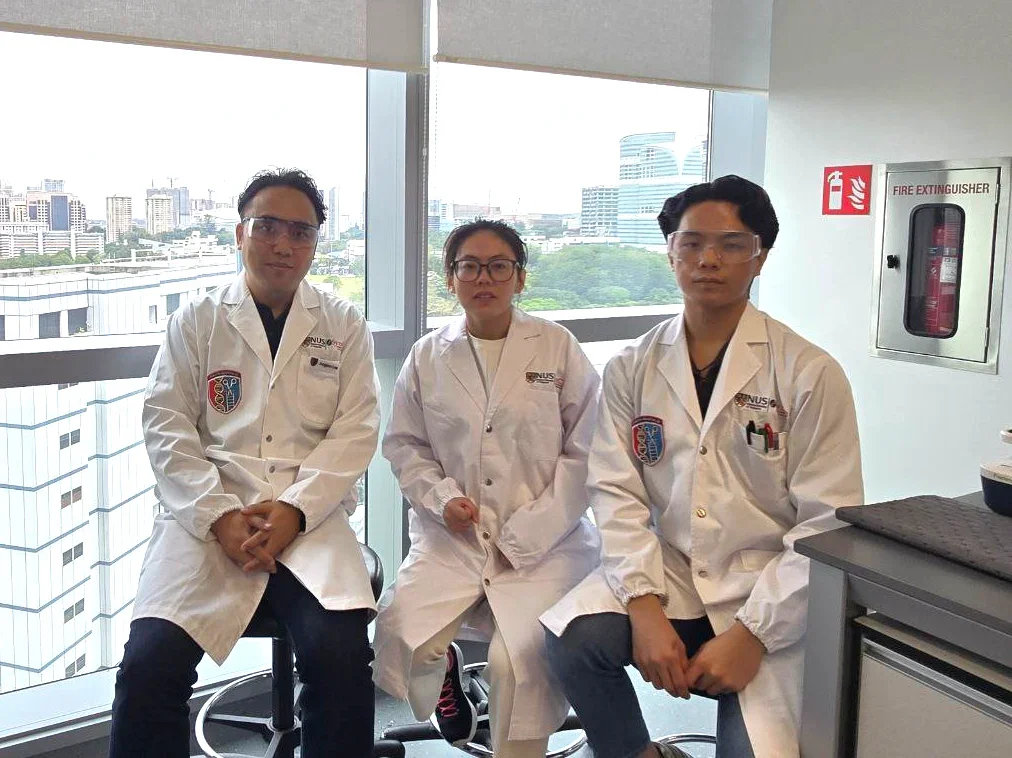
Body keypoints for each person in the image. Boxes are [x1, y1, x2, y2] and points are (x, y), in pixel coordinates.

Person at [541, 175, 864, 758]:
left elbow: (827, 524)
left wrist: (753, 634)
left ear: (760, 256)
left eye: (731, 244)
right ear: (670, 253)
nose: (708, 259)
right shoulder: (632, 366)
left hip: (768, 588)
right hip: (671, 575)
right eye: (690, 243)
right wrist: (642, 604)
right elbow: (615, 492)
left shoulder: (809, 373)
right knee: (574, 640)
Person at [109, 168, 381, 758]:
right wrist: (219, 517)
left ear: (315, 244)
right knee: (147, 668)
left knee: (339, 659)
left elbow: (356, 431)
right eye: (268, 227)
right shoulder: (197, 320)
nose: (283, 243)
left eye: (300, 232)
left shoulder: (343, 324)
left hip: (310, 519)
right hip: (207, 516)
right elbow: (167, 426)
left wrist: (294, 511)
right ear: (240, 233)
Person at [372, 220, 601, 757]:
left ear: (519, 278)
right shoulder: (427, 356)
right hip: (454, 538)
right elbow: (405, 445)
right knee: (405, 634)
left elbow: (589, 450)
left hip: (548, 543)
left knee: (516, 664)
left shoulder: (557, 348)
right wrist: (439, 498)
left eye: (499, 266)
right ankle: (446, 673)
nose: (484, 278)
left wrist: (532, 530)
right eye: (469, 266)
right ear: (450, 278)